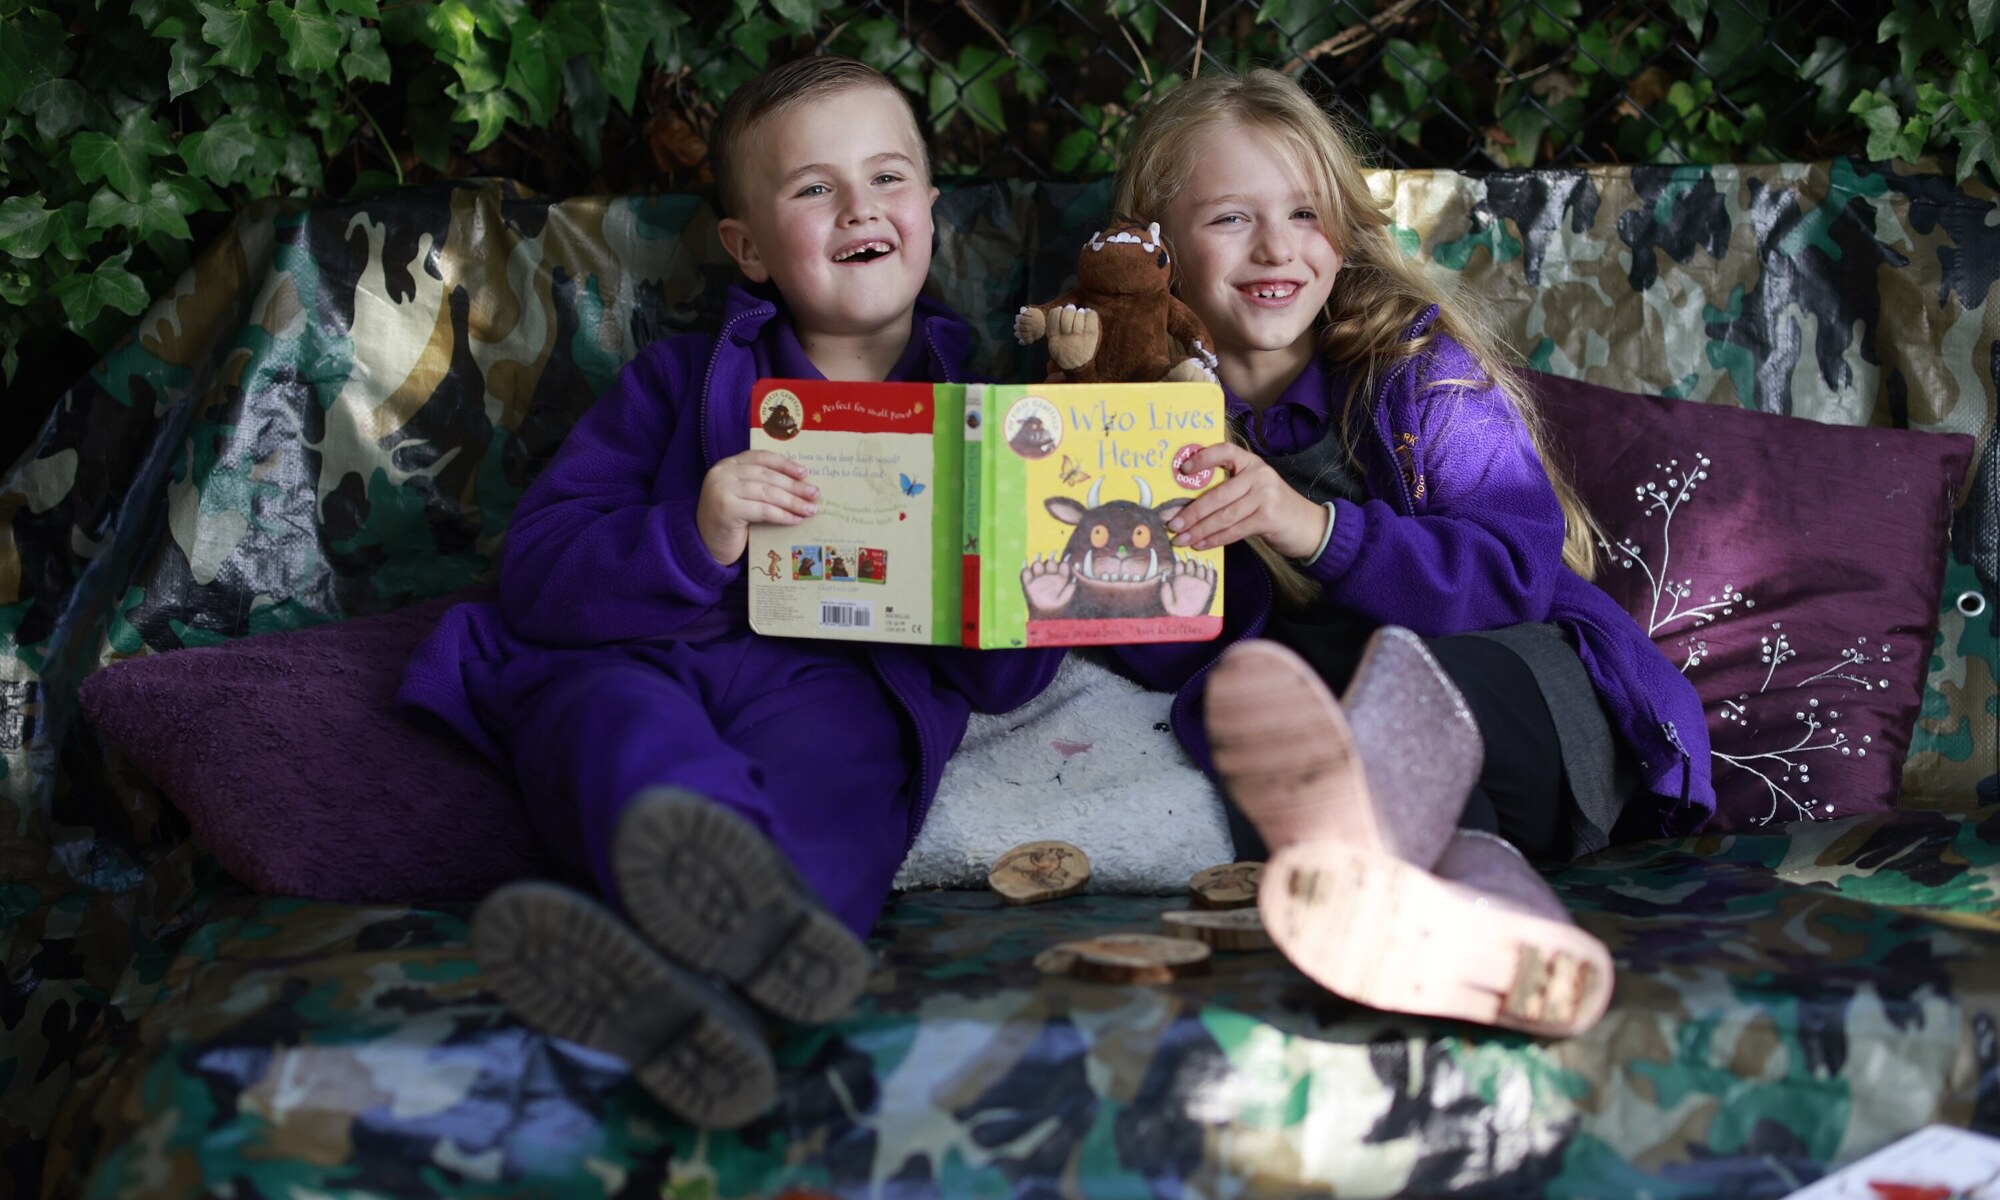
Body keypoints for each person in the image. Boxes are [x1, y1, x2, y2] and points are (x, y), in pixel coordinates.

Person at [397, 55, 1061, 1128]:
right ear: (747, 248)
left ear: (930, 209)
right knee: (614, 726)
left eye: (888, 178)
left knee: (844, 783)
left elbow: (1001, 681)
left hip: (845, 681)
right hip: (646, 658)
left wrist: (1019, 593)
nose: (860, 207)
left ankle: (723, 984)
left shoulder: (991, 423)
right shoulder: (674, 386)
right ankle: (719, 948)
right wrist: (690, 535)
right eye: (814, 189)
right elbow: (538, 570)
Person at [1099, 67, 1715, 1037]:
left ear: (1342, 231)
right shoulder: (1123, 413)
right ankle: (1483, 927)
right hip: (1338, 756)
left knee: (1377, 665)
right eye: (1227, 219)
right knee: (1281, 677)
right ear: (1152, 247)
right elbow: (1161, 655)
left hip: (1527, 705)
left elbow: (1514, 571)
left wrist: (1310, 527)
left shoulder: (1415, 366)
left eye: (1304, 211)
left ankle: (1437, 902)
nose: (1274, 247)